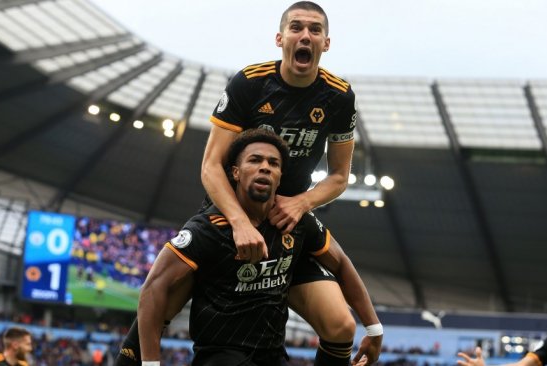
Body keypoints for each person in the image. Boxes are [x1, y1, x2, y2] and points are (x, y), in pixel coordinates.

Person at [116, 2, 376, 365]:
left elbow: (338, 176)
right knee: (160, 303)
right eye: (296, 27)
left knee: (340, 325)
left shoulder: (339, 96)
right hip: (230, 215)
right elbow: (211, 166)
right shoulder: (250, 83)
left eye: (315, 30)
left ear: (326, 43)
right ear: (280, 38)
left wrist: (300, 203)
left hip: (287, 220)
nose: (305, 36)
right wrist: (238, 222)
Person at [137, 129, 382, 365]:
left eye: (273, 163)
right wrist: (150, 363)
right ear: (235, 172)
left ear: (280, 177)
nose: (265, 166)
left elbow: (341, 264)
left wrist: (374, 327)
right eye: (255, 160)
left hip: (273, 355)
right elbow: (153, 287)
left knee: (342, 326)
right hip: (222, 356)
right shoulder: (208, 227)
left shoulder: (295, 222)